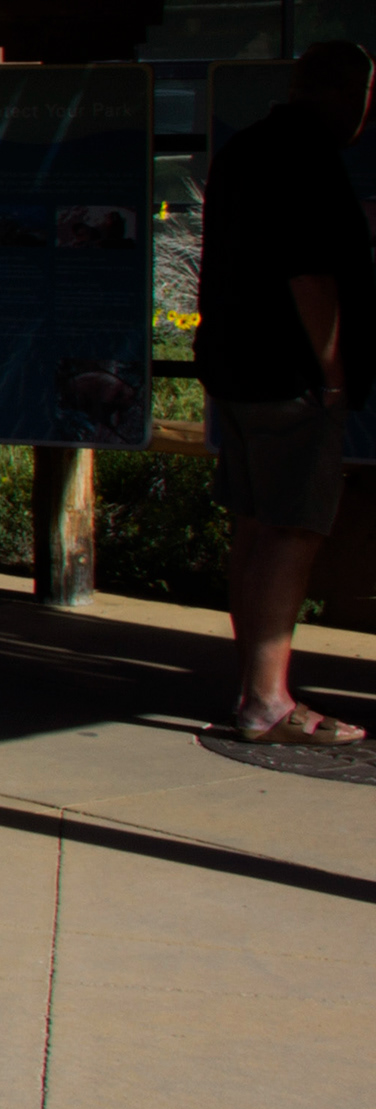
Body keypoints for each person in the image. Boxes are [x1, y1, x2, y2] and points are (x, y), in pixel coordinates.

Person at [197, 38, 375, 746]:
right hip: (288, 378)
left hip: (235, 370)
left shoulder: (244, 151)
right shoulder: (308, 158)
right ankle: (267, 700)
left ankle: (254, 685)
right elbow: (311, 277)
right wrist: (333, 372)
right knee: (293, 529)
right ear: (347, 96)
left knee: (253, 523)